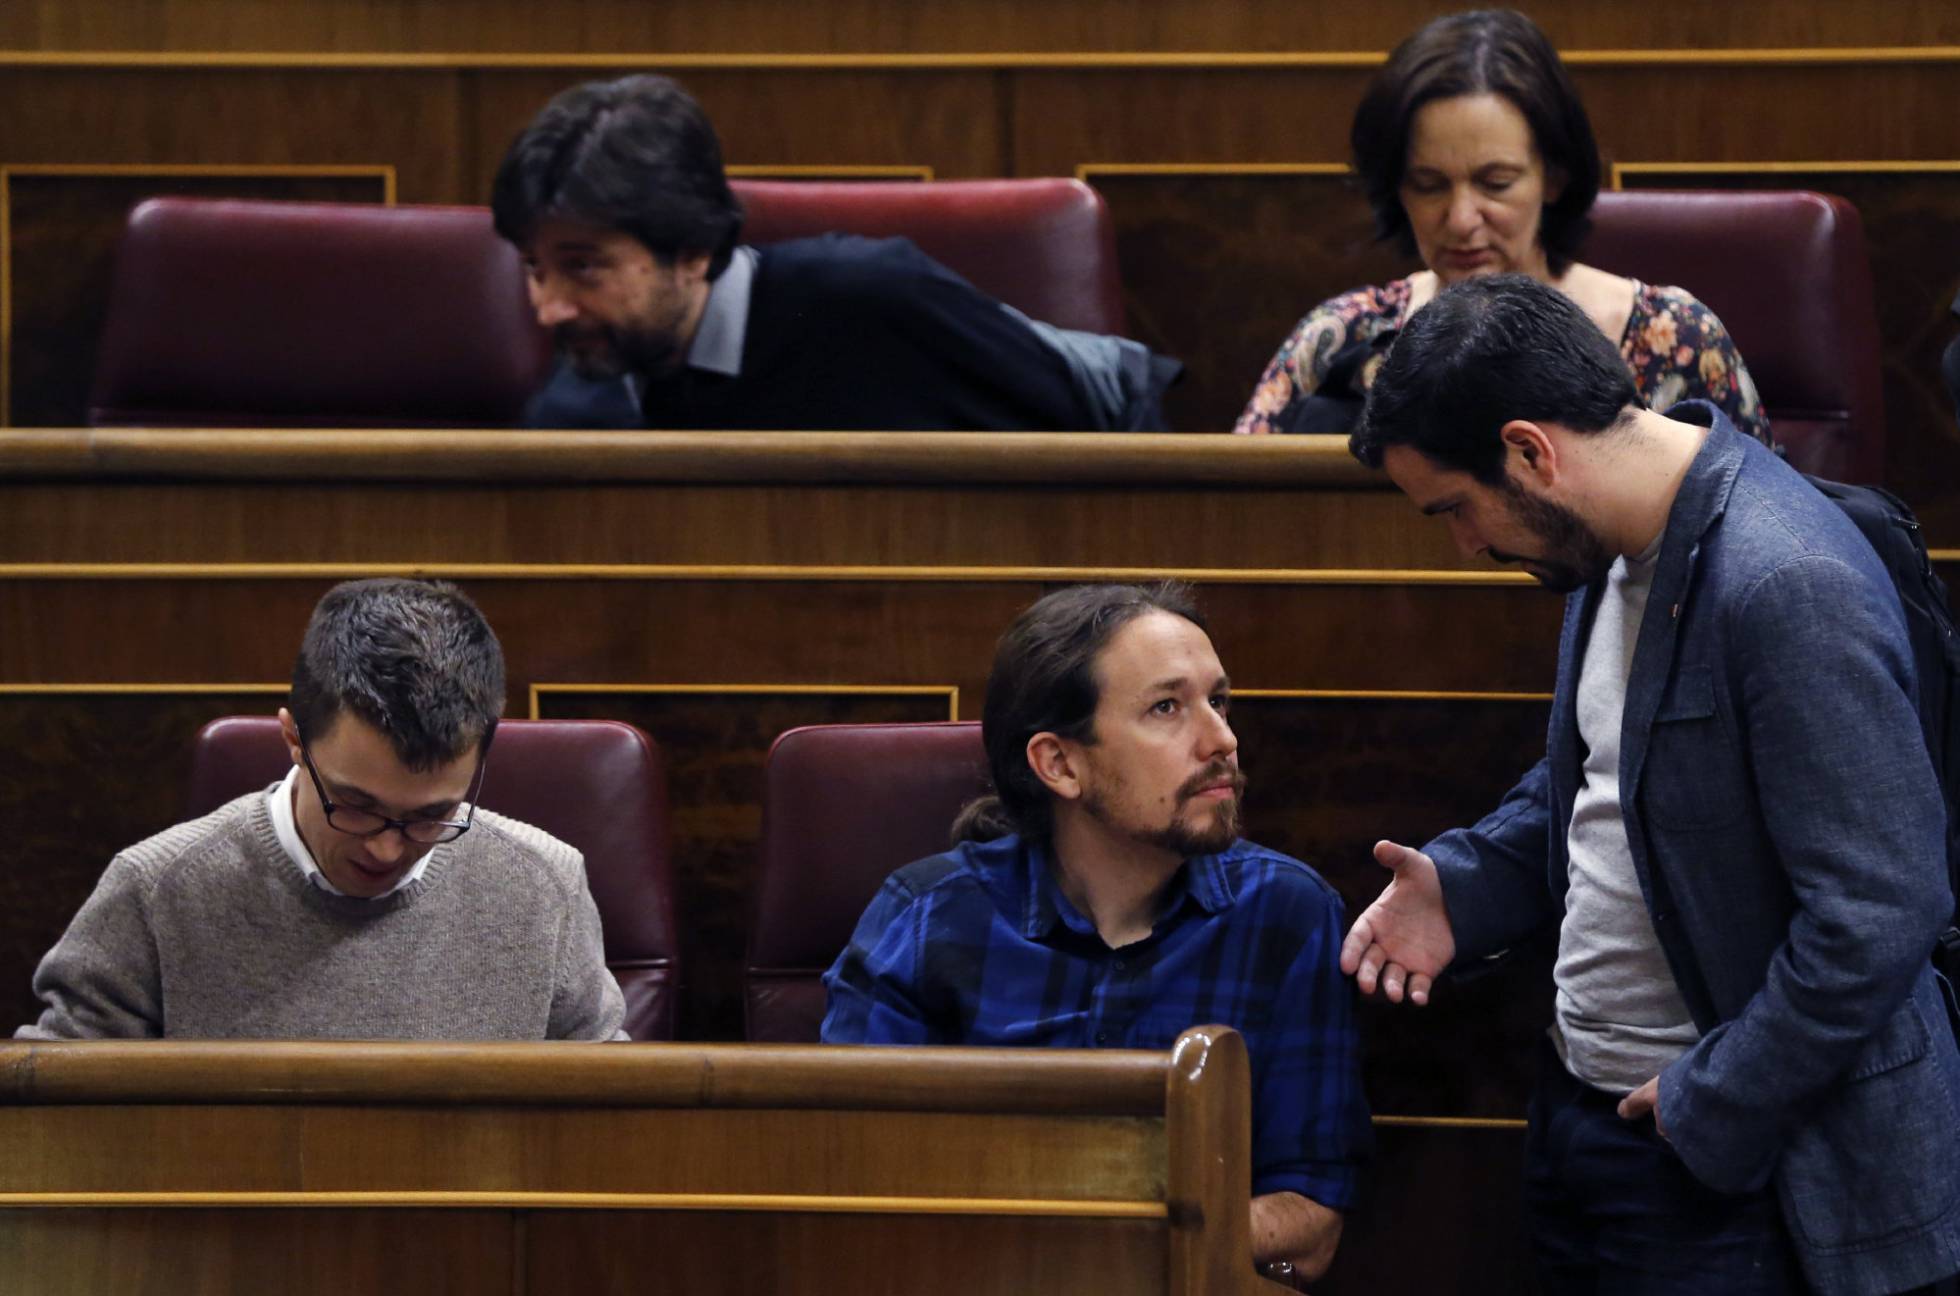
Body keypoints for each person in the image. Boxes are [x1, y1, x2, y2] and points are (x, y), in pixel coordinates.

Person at [1341, 273, 1959, 1295]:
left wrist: (1709, 1100)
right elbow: (1603, 770)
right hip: (1590, 1112)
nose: (1464, 546)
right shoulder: (1618, 551)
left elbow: (1881, 907)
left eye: (1456, 509)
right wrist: (1465, 882)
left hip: (1738, 1165)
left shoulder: (1783, 581)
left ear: (1531, 451)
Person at [821, 583, 1369, 1284]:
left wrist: (1096, 1249)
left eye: (1219, 700)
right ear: (1059, 764)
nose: (1222, 740)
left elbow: (1312, 1217)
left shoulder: (1288, 914)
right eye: (1167, 708)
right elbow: (850, 1182)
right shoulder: (924, 918)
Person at [17, 578, 627, 1041]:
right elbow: (67, 1126)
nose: (387, 848)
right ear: (292, 740)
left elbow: (601, 1125)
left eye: (430, 816)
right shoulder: (154, 891)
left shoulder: (547, 885)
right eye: (356, 806)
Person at [491, 75, 1177, 432]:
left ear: (694, 252)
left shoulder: (871, 298)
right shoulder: (583, 386)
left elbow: (1096, 413)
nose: (549, 308)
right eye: (533, 267)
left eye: (583, 267)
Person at [1235, 8, 1768, 443]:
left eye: (1495, 182)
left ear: (1553, 177)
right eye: (1428, 184)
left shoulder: (1675, 336)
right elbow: (1233, 509)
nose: (1462, 220)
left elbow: (1769, 533)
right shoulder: (1339, 339)